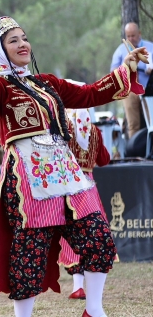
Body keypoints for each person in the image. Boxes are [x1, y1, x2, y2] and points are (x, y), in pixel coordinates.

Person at [0, 16, 145, 317]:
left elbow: (90, 93)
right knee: (30, 252)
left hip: (66, 171)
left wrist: (126, 67)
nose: (23, 44)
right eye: (13, 40)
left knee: (98, 237)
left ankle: (94, 310)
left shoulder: (46, 83)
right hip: (27, 175)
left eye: (24, 38)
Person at [58, 107, 116, 301]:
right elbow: (105, 159)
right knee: (91, 233)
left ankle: (77, 286)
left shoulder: (63, 128)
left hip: (67, 183)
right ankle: (88, 292)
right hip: (88, 185)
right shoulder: (95, 130)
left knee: (72, 235)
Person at [110, 22, 153, 138]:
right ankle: (135, 150)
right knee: (133, 124)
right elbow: (113, 71)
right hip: (131, 90)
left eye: (133, 36)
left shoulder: (150, 47)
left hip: (148, 91)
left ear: (139, 34)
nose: (130, 39)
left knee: (151, 122)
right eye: (128, 36)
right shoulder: (120, 50)